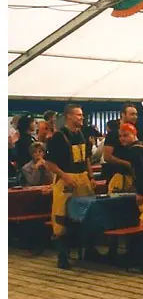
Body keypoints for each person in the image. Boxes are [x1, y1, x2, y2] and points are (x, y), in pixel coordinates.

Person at [44, 104, 95, 269]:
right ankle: (62, 255)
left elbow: (87, 158)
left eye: (82, 115)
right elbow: (49, 163)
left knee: (87, 213)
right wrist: (65, 176)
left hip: (82, 179)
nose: (82, 117)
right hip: (65, 180)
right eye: (78, 115)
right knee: (62, 217)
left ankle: (89, 249)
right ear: (68, 116)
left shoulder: (82, 135)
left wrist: (91, 176)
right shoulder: (58, 137)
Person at [103, 103, 139, 195]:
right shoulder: (113, 134)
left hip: (133, 178)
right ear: (123, 115)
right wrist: (126, 163)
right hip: (117, 177)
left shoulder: (137, 133)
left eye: (136, 114)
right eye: (132, 114)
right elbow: (107, 157)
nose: (135, 117)